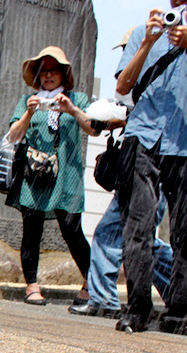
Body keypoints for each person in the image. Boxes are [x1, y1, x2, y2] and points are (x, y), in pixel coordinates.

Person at [68, 30, 174, 319]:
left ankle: (104, 299)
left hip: (152, 161)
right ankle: (176, 294)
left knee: (116, 233)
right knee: (140, 238)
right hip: (144, 161)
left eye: (130, 49)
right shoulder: (147, 78)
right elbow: (101, 121)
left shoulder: (158, 75)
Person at [113, 1, 187, 334]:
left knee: (184, 232)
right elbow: (123, 86)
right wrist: (147, 43)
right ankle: (137, 308)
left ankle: (179, 313)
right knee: (137, 227)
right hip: (142, 137)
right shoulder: (144, 32)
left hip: (183, 142)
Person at [6, 46, 98, 306]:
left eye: (53, 70)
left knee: (72, 230)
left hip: (68, 176)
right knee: (31, 230)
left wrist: (72, 110)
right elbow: (13, 136)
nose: (47, 76)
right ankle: (32, 286)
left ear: (63, 74)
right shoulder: (28, 100)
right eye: (43, 71)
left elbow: (94, 129)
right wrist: (29, 112)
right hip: (35, 176)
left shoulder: (77, 99)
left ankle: (91, 282)